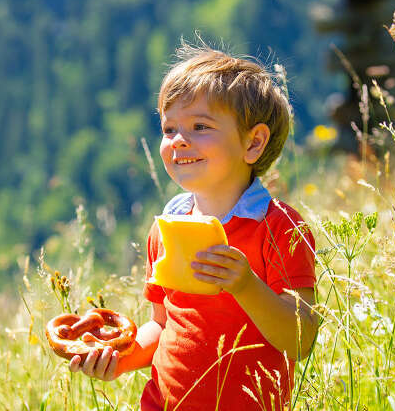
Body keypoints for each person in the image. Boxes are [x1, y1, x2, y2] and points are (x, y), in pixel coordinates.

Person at [68, 43, 318, 411]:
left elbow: (300, 339)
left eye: (200, 126)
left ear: (254, 142)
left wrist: (245, 286)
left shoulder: (280, 228)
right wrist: (119, 359)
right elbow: (163, 325)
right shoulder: (167, 229)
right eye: (170, 129)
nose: (179, 140)